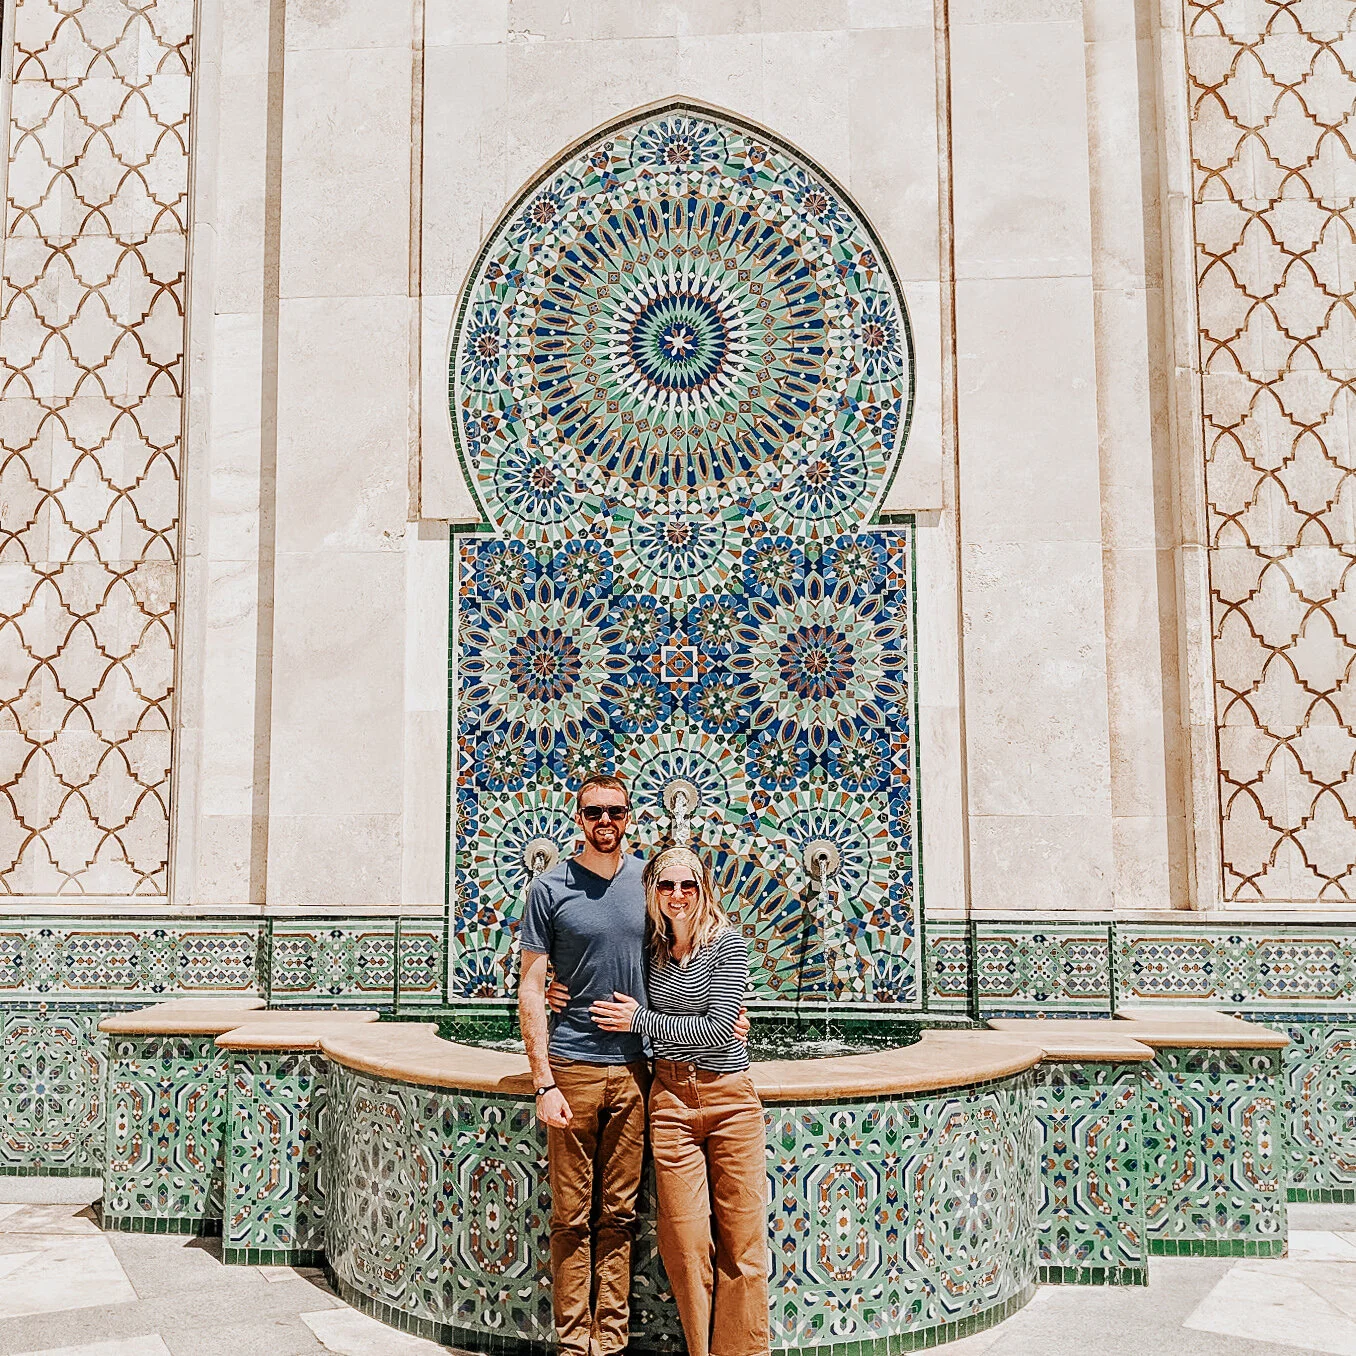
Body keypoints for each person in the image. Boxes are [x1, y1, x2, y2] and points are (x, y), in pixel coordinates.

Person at [588, 845, 770, 1356]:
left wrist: (644, 1024)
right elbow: (603, 976)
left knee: (743, 1244)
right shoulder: (652, 953)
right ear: (654, 892)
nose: (677, 895)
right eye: (666, 886)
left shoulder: (727, 946)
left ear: (703, 889)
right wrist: (556, 988)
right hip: (669, 1100)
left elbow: (716, 1033)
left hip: (729, 1099)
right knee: (686, 1243)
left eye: (687, 885)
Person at [517, 773, 649, 1356]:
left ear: (628, 816)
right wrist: (542, 1079)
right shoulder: (549, 888)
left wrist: (729, 1013)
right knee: (572, 1217)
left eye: (615, 812)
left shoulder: (651, 881)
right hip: (572, 1066)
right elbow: (528, 984)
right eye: (594, 811)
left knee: (619, 1214)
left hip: (637, 1072)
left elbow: (692, 950)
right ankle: (574, 1343)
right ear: (578, 817)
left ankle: (611, 1340)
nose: (605, 821)